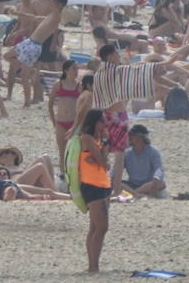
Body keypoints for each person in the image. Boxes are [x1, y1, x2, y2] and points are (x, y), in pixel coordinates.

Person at [78, 109, 112, 274]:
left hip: (103, 184)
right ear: (94, 122)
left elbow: (103, 161)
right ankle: (93, 266)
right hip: (92, 185)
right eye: (102, 121)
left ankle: (93, 265)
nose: (104, 125)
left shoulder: (99, 139)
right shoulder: (87, 138)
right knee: (101, 227)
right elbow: (101, 160)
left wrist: (104, 145)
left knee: (95, 227)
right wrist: (99, 158)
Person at [120, 124, 167, 198]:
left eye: (131, 135)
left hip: (148, 184)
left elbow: (159, 169)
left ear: (140, 137)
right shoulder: (127, 153)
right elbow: (115, 171)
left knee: (161, 183)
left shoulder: (153, 151)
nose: (128, 138)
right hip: (132, 184)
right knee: (114, 183)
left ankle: (133, 194)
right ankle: (137, 194)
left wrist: (156, 178)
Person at [49, 59, 82, 165]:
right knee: (62, 152)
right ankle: (63, 174)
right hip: (60, 122)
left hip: (74, 123)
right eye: (74, 68)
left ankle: (72, 175)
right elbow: (50, 104)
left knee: (73, 152)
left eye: (77, 68)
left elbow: (83, 107)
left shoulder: (80, 86)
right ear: (66, 70)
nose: (76, 71)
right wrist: (54, 121)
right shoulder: (58, 85)